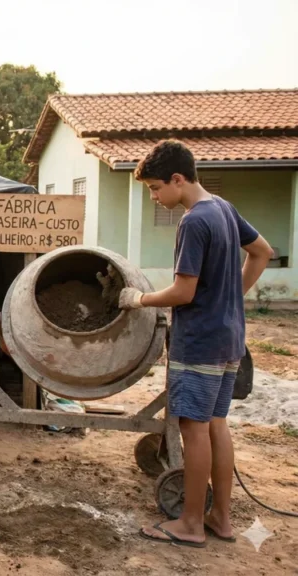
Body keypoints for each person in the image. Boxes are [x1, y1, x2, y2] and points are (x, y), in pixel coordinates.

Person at [119, 141, 273, 547]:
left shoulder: (194, 221)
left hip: (200, 342)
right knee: (217, 425)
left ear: (177, 179)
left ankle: (189, 523)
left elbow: (184, 292)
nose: (154, 197)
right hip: (229, 340)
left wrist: (140, 300)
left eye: (155, 188)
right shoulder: (222, 207)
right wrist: (232, 299)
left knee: (194, 428)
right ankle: (220, 518)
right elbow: (262, 252)